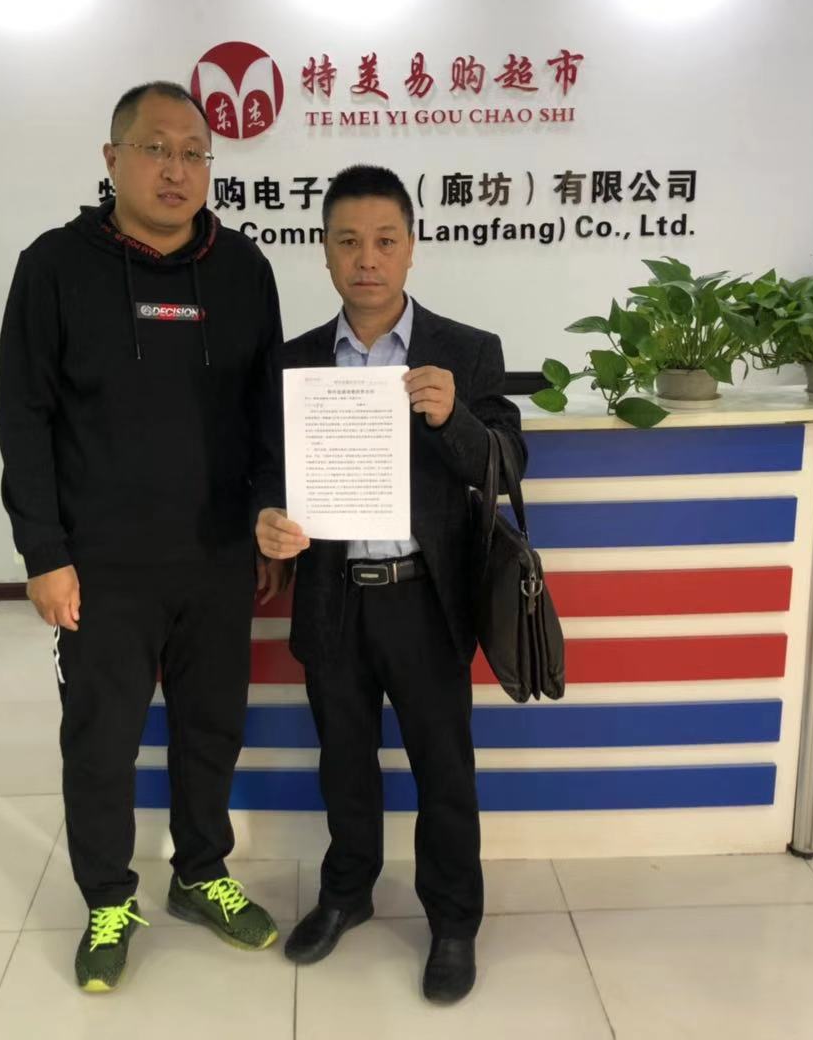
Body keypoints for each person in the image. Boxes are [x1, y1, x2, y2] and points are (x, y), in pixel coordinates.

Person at [0, 80, 288, 993]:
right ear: (112, 158)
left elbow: (268, 411)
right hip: (101, 565)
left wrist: (264, 518)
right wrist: (44, 552)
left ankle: (200, 872)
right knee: (101, 740)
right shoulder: (54, 266)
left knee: (211, 729)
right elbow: (23, 415)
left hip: (217, 556)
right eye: (156, 148)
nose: (176, 169)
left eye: (195, 153)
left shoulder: (243, 270)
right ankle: (108, 898)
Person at [254, 164, 526, 1004]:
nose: (365, 259)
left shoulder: (467, 351)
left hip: (426, 597)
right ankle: (347, 893)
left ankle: (454, 922)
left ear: (411, 248)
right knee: (344, 761)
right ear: (324, 252)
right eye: (348, 242)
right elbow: (266, 471)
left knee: (444, 768)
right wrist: (267, 520)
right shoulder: (295, 362)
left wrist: (456, 419)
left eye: (383, 241)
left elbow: (508, 463)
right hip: (332, 594)